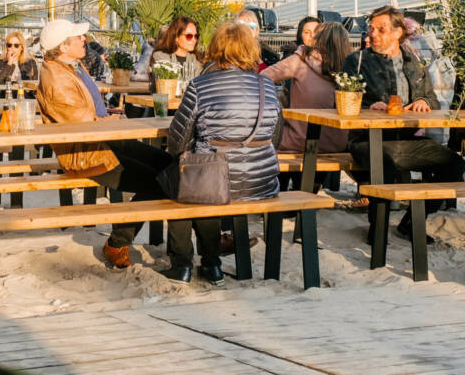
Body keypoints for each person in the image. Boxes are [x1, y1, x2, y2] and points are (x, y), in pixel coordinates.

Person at [35, 19, 170, 271]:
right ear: (63, 47)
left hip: (106, 140)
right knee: (159, 180)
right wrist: (109, 120)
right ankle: (117, 243)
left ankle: (197, 239)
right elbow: (81, 124)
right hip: (88, 154)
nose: (84, 40)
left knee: (170, 165)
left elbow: (88, 110)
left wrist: (108, 115)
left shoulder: (72, 67)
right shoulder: (55, 77)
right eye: (78, 38)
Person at [162, 22, 282, 283]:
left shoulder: (200, 86)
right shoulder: (268, 86)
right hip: (261, 182)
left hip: (218, 183)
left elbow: (177, 142)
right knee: (206, 180)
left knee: (183, 179)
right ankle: (211, 265)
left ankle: (183, 264)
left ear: (216, 48)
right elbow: (276, 137)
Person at [342, 5, 465, 239]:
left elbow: (434, 101)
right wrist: (368, 107)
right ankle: (377, 230)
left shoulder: (413, 62)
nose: (373, 34)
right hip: (367, 141)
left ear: (398, 33)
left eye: (381, 29)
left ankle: (411, 223)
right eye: (371, 29)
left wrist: (422, 101)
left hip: (406, 140)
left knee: (455, 165)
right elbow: (341, 101)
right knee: (384, 164)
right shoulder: (356, 62)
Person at [265, 21, 352, 155]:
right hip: (338, 143)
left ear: (319, 39)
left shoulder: (300, 59)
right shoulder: (350, 66)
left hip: (300, 140)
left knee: (267, 144)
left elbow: (261, 78)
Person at [150, 17, 202, 86]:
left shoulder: (196, 62)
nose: (194, 40)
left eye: (196, 36)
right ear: (176, 38)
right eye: (189, 36)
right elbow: (169, 85)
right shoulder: (160, 57)